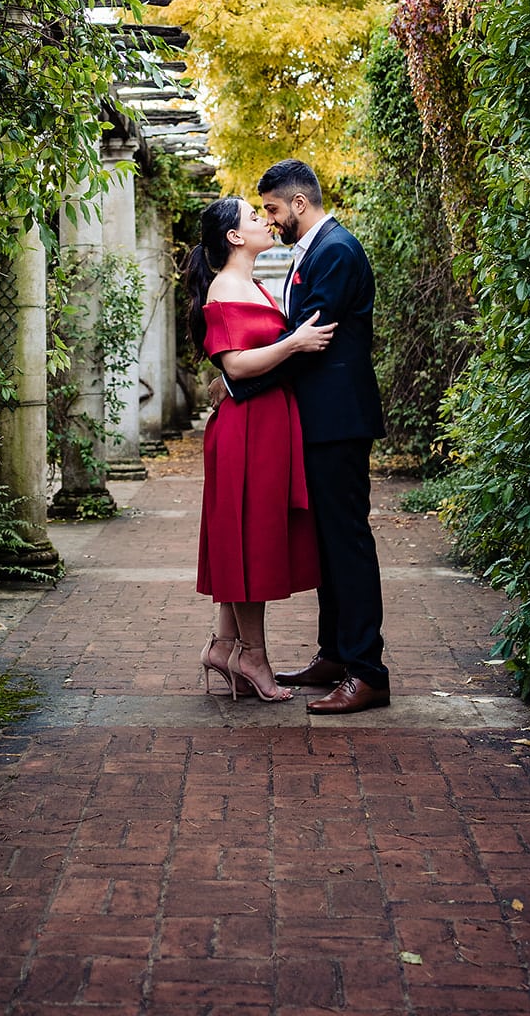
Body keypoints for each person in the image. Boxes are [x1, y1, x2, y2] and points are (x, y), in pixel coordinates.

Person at [236, 159, 390, 715]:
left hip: (338, 421)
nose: (271, 222)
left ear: (299, 203)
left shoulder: (337, 251)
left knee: (346, 543)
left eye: (274, 210)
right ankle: (335, 654)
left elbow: (310, 338)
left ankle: (368, 672)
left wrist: (238, 381)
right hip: (321, 419)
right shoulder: (317, 250)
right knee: (328, 543)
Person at [184, 195, 336, 702]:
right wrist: (294, 344)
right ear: (233, 237)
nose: (265, 222)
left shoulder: (251, 284)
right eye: (255, 218)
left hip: (265, 425)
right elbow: (237, 366)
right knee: (249, 541)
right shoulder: (226, 288)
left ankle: (223, 646)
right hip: (247, 430)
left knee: (247, 537)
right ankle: (253, 655)